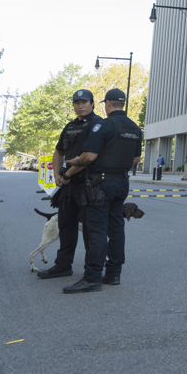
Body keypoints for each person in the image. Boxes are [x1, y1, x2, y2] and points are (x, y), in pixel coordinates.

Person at [56, 88, 144, 293]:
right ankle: (113, 274)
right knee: (116, 228)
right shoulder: (135, 128)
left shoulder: (104, 125)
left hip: (100, 184)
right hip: (122, 182)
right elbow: (136, 159)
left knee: (96, 230)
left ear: (106, 104)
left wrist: (74, 163)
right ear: (123, 103)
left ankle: (92, 278)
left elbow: (89, 157)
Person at [37, 89, 104, 283]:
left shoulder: (98, 124)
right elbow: (58, 152)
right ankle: (63, 265)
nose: (80, 106)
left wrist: (66, 174)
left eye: (84, 102)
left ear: (92, 104)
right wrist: (57, 174)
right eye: (77, 103)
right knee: (66, 226)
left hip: (88, 184)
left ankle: (91, 270)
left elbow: (89, 157)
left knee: (90, 230)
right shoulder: (69, 126)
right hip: (68, 185)